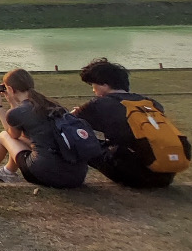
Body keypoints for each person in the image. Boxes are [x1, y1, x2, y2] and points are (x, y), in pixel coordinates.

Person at [74, 58, 184, 188]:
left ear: (104, 84)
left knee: (75, 137)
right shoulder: (151, 103)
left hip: (134, 176)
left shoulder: (100, 104)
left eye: (93, 85)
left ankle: (62, 175)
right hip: (165, 177)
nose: (93, 90)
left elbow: (66, 121)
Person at [0, 68, 86, 188]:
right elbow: (21, 130)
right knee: (26, 139)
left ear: (9, 89)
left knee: (3, 136)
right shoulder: (52, 105)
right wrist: (12, 103)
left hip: (47, 175)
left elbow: (12, 135)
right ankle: (8, 172)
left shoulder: (20, 111)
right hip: (77, 176)